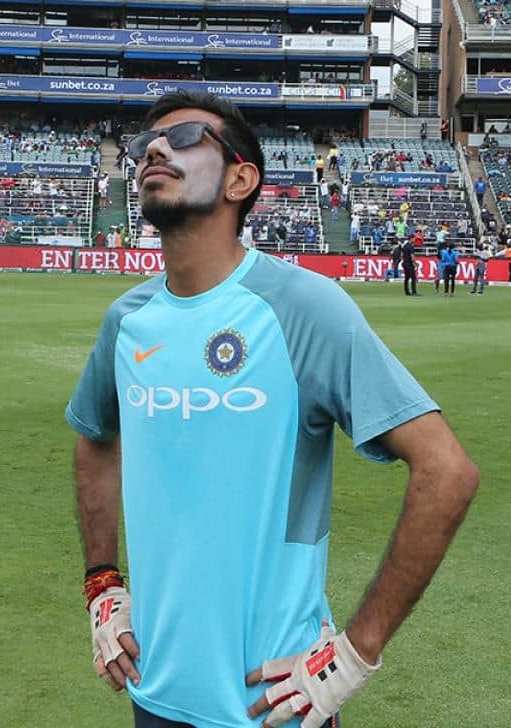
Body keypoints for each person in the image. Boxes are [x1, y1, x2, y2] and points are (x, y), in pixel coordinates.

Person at [67, 90, 478, 728]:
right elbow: (95, 438)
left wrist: (356, 651)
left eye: (184, 138)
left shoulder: (303, 308)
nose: (154, 147)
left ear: (240, 178)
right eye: (149, 139)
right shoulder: (127, 319)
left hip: (274, 708)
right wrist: (101, 582)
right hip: (153, 695)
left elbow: (447, 470)